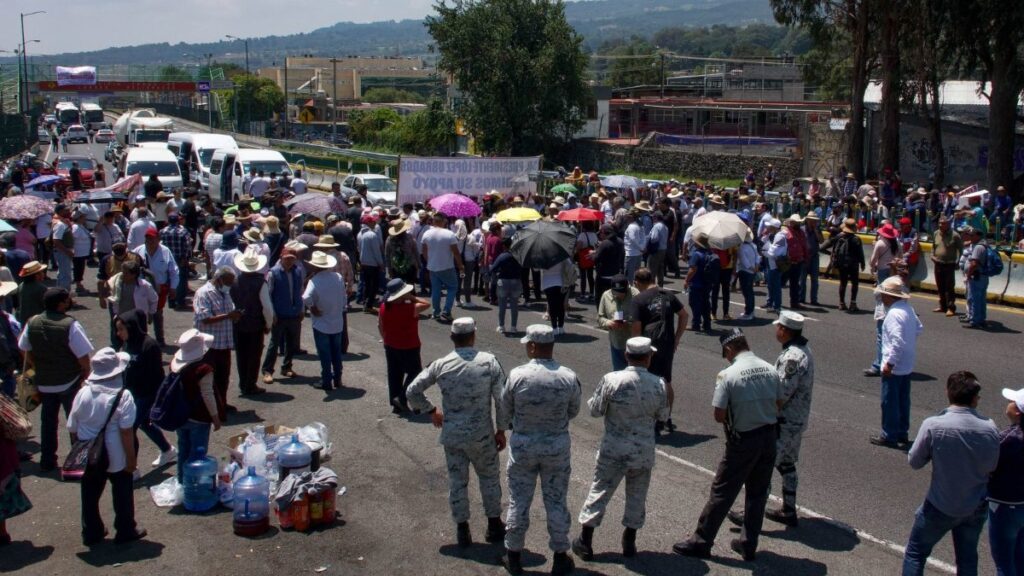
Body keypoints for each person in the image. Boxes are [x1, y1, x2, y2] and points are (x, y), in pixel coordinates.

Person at [673, 329, 781, 562]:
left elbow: (719, 415)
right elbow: (780, 402)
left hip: (743, 440)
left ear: (729, 349)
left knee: (722, 492)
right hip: (769, 436)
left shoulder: (728, 375)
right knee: (758, 493)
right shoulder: (771, 369)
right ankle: (748, 543)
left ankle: (702, 541)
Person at [405, 317, 508, 547]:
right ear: (473, 336)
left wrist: (431, 410)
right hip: (482, 436)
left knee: (457, 482)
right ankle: (493, 525)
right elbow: (501, 399)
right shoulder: (489, 362)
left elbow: (412, 391)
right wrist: (501, 429)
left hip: (453, 436)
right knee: (490, 479)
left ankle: (462, 530)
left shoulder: (441, 365)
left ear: (452, 338)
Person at [572, 337, 668, 561]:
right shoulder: (659, 384)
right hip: (642, 449)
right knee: (637, 495)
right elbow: (663, 416)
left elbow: (595, 410)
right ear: (649, 357)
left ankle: (586, 540)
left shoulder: (611, 379)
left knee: (599, 491)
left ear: (626, 356)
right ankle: (629, 541)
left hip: (614, 448)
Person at [500, 324, 581, 576]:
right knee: (556, 501)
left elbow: (505, 410)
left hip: (524, 445)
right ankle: (559, 556)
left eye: (527, 344)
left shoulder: (517, 375)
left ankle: (513, 555)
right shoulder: (568, 376)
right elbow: (574, 410)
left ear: (533, 346)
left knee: (518, 500)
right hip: (555, 446)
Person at [902, 371, 1000, 575]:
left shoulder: (934, 425)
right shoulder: (990, 428)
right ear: (975, 399)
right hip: (975, 505)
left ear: (948, 393)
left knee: (915, 553)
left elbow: (914, 461)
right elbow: (992, 465)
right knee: (967, 559)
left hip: (940, 505)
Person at [68, 347, 146, 546]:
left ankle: (91, 531)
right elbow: (127, 432)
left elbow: (72, 427)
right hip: (115, 453)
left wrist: (80, 452)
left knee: (90, 493)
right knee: (122, 490)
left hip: (89, 453)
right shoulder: (123, 396)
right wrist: (131, 459)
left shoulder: (82, 393)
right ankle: (125, 529)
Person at [19, 288, 94, 472]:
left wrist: (35, 365)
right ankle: (78, 461)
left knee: (48, 422)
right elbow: (83, 356)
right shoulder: (70, 325)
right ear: (60, 303)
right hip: (69, 380)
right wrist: (87, 375)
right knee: (75, 422)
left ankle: (47, 460)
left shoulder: (33, 322)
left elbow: (23, 347)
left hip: (45, 382)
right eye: (66, 299)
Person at [116, 309, 176, 475]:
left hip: (147, 393)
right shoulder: (127, 343)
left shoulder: (149, 345)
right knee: (145, 423)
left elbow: (156, 374)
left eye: (121, 329)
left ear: (131, 327)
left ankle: (132, 468)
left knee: (131, 427)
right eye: (117, 329)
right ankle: (167, 449)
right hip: (132, 393)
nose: (118, 333)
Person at [631, 267, 687, 434]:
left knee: (647, 380)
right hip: (667, 342)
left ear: (637, 282)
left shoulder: (638, 300)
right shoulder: (667, 294)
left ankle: (651, 417)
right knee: (666, 380)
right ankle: (667, 416)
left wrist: (634, 347)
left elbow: (636, 327)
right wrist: (677, 338)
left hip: (648, 345)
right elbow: (684, 315)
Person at [870, 276, 923, 448]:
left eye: (883, 294)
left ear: (889, 296)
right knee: (903, 400)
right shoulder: (909, 309)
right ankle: (902, 432)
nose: (882, 298)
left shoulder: (893, 314)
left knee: (889, 400)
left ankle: (889, 434)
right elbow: (918, 328)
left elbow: (897, 341)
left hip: (895, 365)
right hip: (907, 363)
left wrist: (890, 363)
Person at [171, 329, 223, 483]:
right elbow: (208, 394)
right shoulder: (203, 369)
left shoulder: (176, 365)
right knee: (197, 453)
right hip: (199, 418)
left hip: (181, 415)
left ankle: (182, 482)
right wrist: (215, 417)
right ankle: (194, 485)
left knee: (183, 450)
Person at [192, 267, 240, 413]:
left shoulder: (224, 293)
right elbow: (204, 318)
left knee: (223, 376)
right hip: (209, 346)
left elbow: (229, 310)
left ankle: (221, 404)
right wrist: (228, 316)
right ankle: (210, 408)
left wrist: (235, 315)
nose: (230, 285)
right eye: (228, 282)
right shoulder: (203, 293)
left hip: (224, 343)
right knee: (209, 379)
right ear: (219, 279)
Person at [378, 279, 430, 413]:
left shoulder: (383, 307)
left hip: (390, 344)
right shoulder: (410, 308)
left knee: (394, 373)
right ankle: (401, 398)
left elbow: (380, 326)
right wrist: (411, 297)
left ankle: (396, 403)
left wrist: (385, 339)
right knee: (415, 373)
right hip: (409, 345)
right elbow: (426, 303)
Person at [989, 387, 1024, 576]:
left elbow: (988, 467)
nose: (1008, 403)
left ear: (1018, 411)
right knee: (1020, 557)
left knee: (1004, 562)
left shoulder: (1007, 439)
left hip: (1005, 505)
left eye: (1012, 401)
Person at [231, 247, 272, 396]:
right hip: (255, 324)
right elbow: (266, 307)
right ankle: (250, 384)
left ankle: (243, 383)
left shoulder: (234, 281)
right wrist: (268, 324)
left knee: (241, 355)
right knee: (254, 355)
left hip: (238, 323)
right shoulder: (261, 282)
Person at [303, 251, 347, 391]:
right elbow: (343, 298)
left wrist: (312, 307)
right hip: (337, 321)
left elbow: (306, 297)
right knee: (336, 353)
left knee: (325, 354)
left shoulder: (314, 281)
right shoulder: (338, 277)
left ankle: (326, 380)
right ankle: (338, 378)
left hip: (321, 323)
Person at [262, 247, 304, 383]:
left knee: (292, 343)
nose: (290, 261)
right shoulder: (273, 273)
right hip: (279, 314)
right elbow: (268, 295)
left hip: (294, 313)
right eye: (287, 258)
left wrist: (302, 309)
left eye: (292, 258)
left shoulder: (297, 271)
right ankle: (267, 371)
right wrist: (272, 314)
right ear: (281, 257)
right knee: (274, 344)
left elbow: (300, 291)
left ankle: (287, 367)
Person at [134, 228, 178, 346]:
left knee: (158, 313)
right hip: (142, 287)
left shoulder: (165, 251)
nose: (150, 241)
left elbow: (173, 270)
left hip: (160, 287)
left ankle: (160, 339)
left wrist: (173, 287)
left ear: (158, 239)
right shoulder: (138, 251)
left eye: (153, 239)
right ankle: (141, 339)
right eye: (148, 239)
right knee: (141, 313)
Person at [422, 213, 465, 321]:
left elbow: (424, 250)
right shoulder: (449, 234)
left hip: (432, 266)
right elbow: (456, 253)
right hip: (447, 266)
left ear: (433, 221)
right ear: (443, 221)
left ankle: (436, 312)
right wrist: (460, 266)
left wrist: (429, 261)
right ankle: (446, 311)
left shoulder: (427, 233)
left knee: (435, 290)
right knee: (452, 287)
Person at [822, 218, 865, 311]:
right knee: (854, 283)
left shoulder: (839, 237)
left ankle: (841, 303)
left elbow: (822, 247)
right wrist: (862, 263)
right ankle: (853, 303)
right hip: (853, 264)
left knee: (843, 283)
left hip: (842, 264)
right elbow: (860, 253)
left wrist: (832, 255)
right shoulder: (856, 239)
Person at [597, 274, 638, 371]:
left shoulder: (636, 295)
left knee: (634, 375)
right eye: (616, 292)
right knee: (619, 373)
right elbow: (600, 318)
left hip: (633, 344)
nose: (620, 295)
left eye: (622, 292)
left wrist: (628, 322)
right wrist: (608, 323)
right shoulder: (606, 296)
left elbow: (643, 318)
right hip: (616, 343)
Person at [930, 216, 962, 317]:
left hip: (949, 264)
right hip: (938, 263)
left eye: (943, 223)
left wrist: (958, 262)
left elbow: (961, 250)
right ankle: (942, 306)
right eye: (940, 223)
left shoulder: (955, 235)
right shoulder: (936, 233)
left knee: (949, 287)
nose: (940, 225)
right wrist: (932, 256)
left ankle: (951, 307)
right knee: (940, 286)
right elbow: (933, 247)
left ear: (948, 224)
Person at [160, 213, 193, 310]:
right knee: (181, 280)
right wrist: (186, 258)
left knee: (169, 278)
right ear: (178, 220)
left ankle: (171, 301)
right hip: (180, 258)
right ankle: (180, 301)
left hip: (167, 258)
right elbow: (187, 246)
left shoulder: (162, 231)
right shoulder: (183, 231)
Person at [490, 237, 522, 334]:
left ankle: (501, 326)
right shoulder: (517, 255)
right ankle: (513, 327)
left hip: (503, 281)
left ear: (504, 246)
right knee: (514, 306)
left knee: (502, 305)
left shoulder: (502, 256)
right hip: (516, 281)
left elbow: (493, 268)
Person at [684, 233, 715, 331]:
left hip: (696, 284)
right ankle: (707, 324)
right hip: (707, 283)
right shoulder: (710, 253)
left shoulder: (696, 254)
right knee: (706, 303)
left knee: (694, 304)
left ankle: (696, 324)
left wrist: (686, 280)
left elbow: (692, 269)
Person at [962, 226, 989, 329]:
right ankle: (981, 319)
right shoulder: (985, 245)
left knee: (974, 299)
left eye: (972, 235)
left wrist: (968, 275)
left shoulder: (978, 247)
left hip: (976, 276)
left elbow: (974, 264)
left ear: (978, 236)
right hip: (983, 277)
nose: (970, 237)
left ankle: (975, 321)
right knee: (981, 299)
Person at [357, 213, 385, 310]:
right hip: (372, 264)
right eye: (373, 221)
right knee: (374, 285)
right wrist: (381, 263)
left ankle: (365, 302)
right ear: (369, 222)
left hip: (364, 262)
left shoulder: (360, 234)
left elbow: (359, 249)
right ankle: (369, 304)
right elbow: (376, 251)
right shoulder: (372, 235)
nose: (375, 223)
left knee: (367, 284)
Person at [541, 257, 572, 336]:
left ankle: (554, 328)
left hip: (547, 283)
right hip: (560, 281)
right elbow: (570, 265)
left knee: (552, 306)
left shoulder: (543, 257)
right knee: (560, 305)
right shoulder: (561, 254)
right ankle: (561, 327)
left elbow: (536, 269)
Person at [762, 219, 786, 314]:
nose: (767, 227)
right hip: (771, 264)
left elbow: (773, 253)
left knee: (775, 286)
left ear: (774, 227)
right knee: (771, 285)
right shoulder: (773, 235)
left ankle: (777, 306)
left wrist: (763, 253)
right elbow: (763, 242)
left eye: (769, 226)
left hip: (775, 265)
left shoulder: (780, 237)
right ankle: (770, 303)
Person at [14, 261, 47, 325]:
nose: (43, 274)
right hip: (37, 322)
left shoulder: (21, 285)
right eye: (42, 272)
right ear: (36, 275)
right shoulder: (40, 288)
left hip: (23, 320)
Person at [71, 211, 91, 294]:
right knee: (78, 268)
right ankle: (78, 285)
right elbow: (72, 238)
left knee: (81, 268)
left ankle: (79, 284)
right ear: (78, 218)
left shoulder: (81, 226)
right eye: (83, 217)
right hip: (78, 252)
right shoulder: (75, 227)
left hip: (83, 252)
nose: (84, 219)